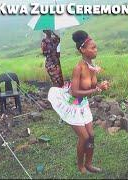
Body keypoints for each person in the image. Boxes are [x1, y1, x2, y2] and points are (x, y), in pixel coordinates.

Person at [48, 30, 109, 174]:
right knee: (85, 137)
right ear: (82, 50)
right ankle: (80, 165)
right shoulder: (78, 68)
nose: (96, 50)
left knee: (92, 136)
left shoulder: (92, 66)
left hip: (83, 104)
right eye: (92, 48)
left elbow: (93, 86)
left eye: (96, 47)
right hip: (71, 104)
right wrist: (96, 90)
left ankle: (89, 164)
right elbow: (75, 92)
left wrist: (102, 86)